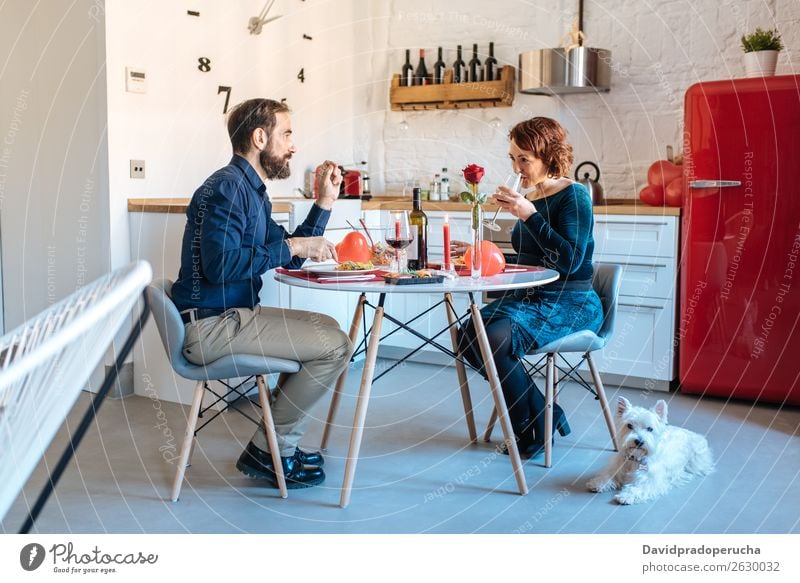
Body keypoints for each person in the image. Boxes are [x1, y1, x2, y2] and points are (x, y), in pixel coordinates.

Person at [171, 98, 354, 489]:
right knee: (335, 345)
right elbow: (222, 267)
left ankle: (272, 444)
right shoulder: (226, 189)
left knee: (329, 328)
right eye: (286, 134)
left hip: (230, 317)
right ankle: (274, 450)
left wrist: (324, 202)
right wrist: (293, 249)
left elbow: (289, 250)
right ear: (259, 137)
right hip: (211, 327)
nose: (293, 145)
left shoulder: (249, 190)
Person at [456, 117, 603, 458]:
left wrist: (530, 216)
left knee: (493, 337)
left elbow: (568, 260)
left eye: (524, 159)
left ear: (549, 157)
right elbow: (530, 258)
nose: (516, 167)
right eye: (512, 158)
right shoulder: (532, 195)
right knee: (468, 336)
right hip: (532, 298)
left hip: (572, 302)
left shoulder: (574, 196)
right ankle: (544, 412)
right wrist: (477, 249)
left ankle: (528, 430)